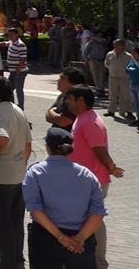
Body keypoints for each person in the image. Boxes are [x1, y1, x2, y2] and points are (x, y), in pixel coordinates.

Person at [22, 127, 106, 269]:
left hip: (46, 239)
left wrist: (61, 237)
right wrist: (80, 239)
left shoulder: (35, 172)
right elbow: (98, 213)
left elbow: (35, 210)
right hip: (81, 243)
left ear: (47, 147)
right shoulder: (88, 175)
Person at [66, 85, 123, 269]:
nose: (67, 102)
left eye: (70, 98)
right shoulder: (83, 118)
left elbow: (99, 149)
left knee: (94, 221)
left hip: (94, 180)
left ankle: (98, 262)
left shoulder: (90, 122)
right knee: (91, 219)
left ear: (80, 100)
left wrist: (112, 167)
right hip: (85, 180)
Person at [0, 75, 33, 269]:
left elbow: (1, 139)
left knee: (0, 221)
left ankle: (8, 261)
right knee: (15, 221)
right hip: (17, 176)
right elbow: (28, 144)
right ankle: (17, 258)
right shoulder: (17, 110)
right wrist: (19, 165)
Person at [45, 67, 87, 132]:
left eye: (62, 78)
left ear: (72, 83)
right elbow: (47, 117)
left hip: (69, 138)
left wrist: (51, 112)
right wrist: (54, 115)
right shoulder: (62, 96)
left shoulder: (77, 100)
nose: (58, 80)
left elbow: (63, 121)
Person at [104, 39, 132, 119]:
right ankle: (111, 111)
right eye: (115, 44)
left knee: (126, 95)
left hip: (124, 78)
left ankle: (128, 111)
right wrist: (111, 68)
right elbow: (106, 63)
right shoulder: (110, 54)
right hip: (113, 77)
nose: (116, 46)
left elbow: (131, 66)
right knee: (112, 95)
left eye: (118, 44)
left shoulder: (128, 56)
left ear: (123, 46)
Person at [5, 28, 29, 110]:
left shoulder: (20, 44)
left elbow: (23, 59)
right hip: (13, 71)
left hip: (19, 71)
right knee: (9, 88)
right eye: (9, 35)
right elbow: (5, 43)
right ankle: (11, 105)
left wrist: (18, 70)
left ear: (16, 35)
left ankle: (20, 107)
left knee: (19, 89)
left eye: (11, 35)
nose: (10, 36)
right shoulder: (12, 42)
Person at [127, 47, 139, 126]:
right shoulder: (132, 61)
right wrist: (134, 70)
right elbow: (127, 69)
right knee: (135, 103)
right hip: (133, 83)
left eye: (135, 54)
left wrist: (133, 70)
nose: (133, 55)